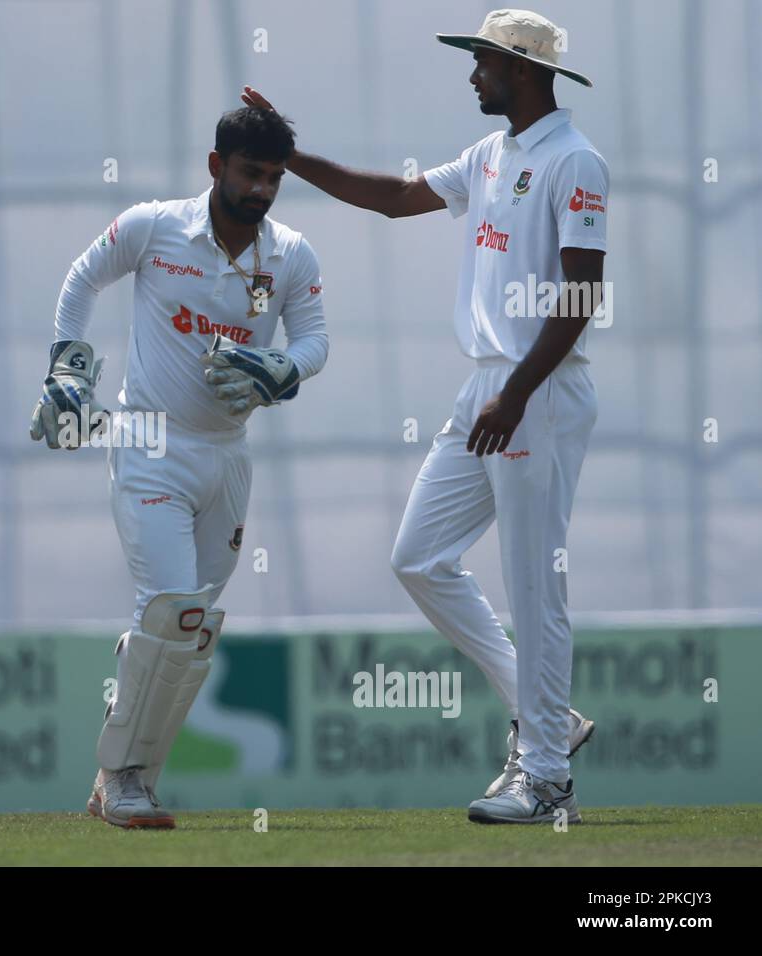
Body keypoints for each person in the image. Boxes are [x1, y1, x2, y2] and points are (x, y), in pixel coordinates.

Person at [243, 8, 606, 823]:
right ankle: (548, 721)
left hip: (536, 392)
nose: (471, 74)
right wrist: (289, 156)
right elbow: (395, 197)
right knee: (419, 556)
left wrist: (517, 394)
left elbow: (582, 292)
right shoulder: (493, 153)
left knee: (532, 583)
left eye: (482, 61)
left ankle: (547, 778)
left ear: (521, 70)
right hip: (488, 386)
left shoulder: (576, 161)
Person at [31, 107, 328, 828]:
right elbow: (81, 277)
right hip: (150, 443)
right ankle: (127, 779)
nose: (262, 190)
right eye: (251, 173)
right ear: (215, 165)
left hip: (227, 455)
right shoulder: (156, 227)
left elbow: (315, 339)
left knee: (191, 633)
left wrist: (283, 368)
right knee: (169, 609)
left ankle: (126, 777)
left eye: (275, 178)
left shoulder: (290, 254)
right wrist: (70, 373)